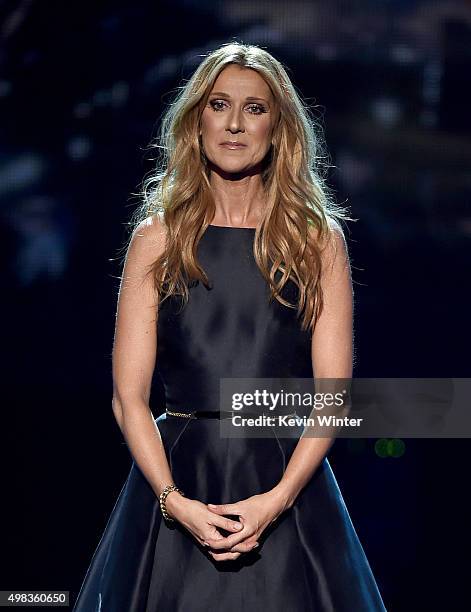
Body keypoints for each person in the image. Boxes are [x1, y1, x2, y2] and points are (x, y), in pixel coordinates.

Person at [73, 42, 387, 611]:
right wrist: (174, 502)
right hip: (176, 485)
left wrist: (278, 500)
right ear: (196, 122)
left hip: (286, 483)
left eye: (255, 108)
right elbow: (128, 398)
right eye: (219, 105)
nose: (236, 124)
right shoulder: (157, 240)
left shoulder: (317, 242)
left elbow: (332, 396)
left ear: (279, 127)